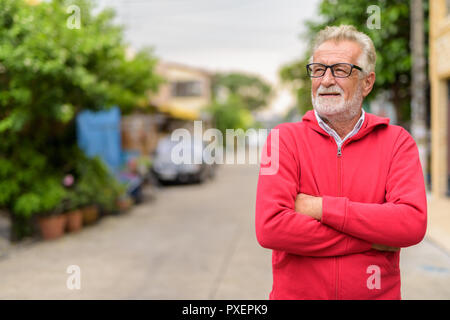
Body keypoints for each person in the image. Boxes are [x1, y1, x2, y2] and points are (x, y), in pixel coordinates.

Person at [255, 25, 427, 300]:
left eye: (340, 70)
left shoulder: (397, 142)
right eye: (319, 69)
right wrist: (371, 238)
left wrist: (320, 207)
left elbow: (410, 224)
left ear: (367, 83)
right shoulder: (281, 139)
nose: (325, 80)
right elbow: (270, 228)